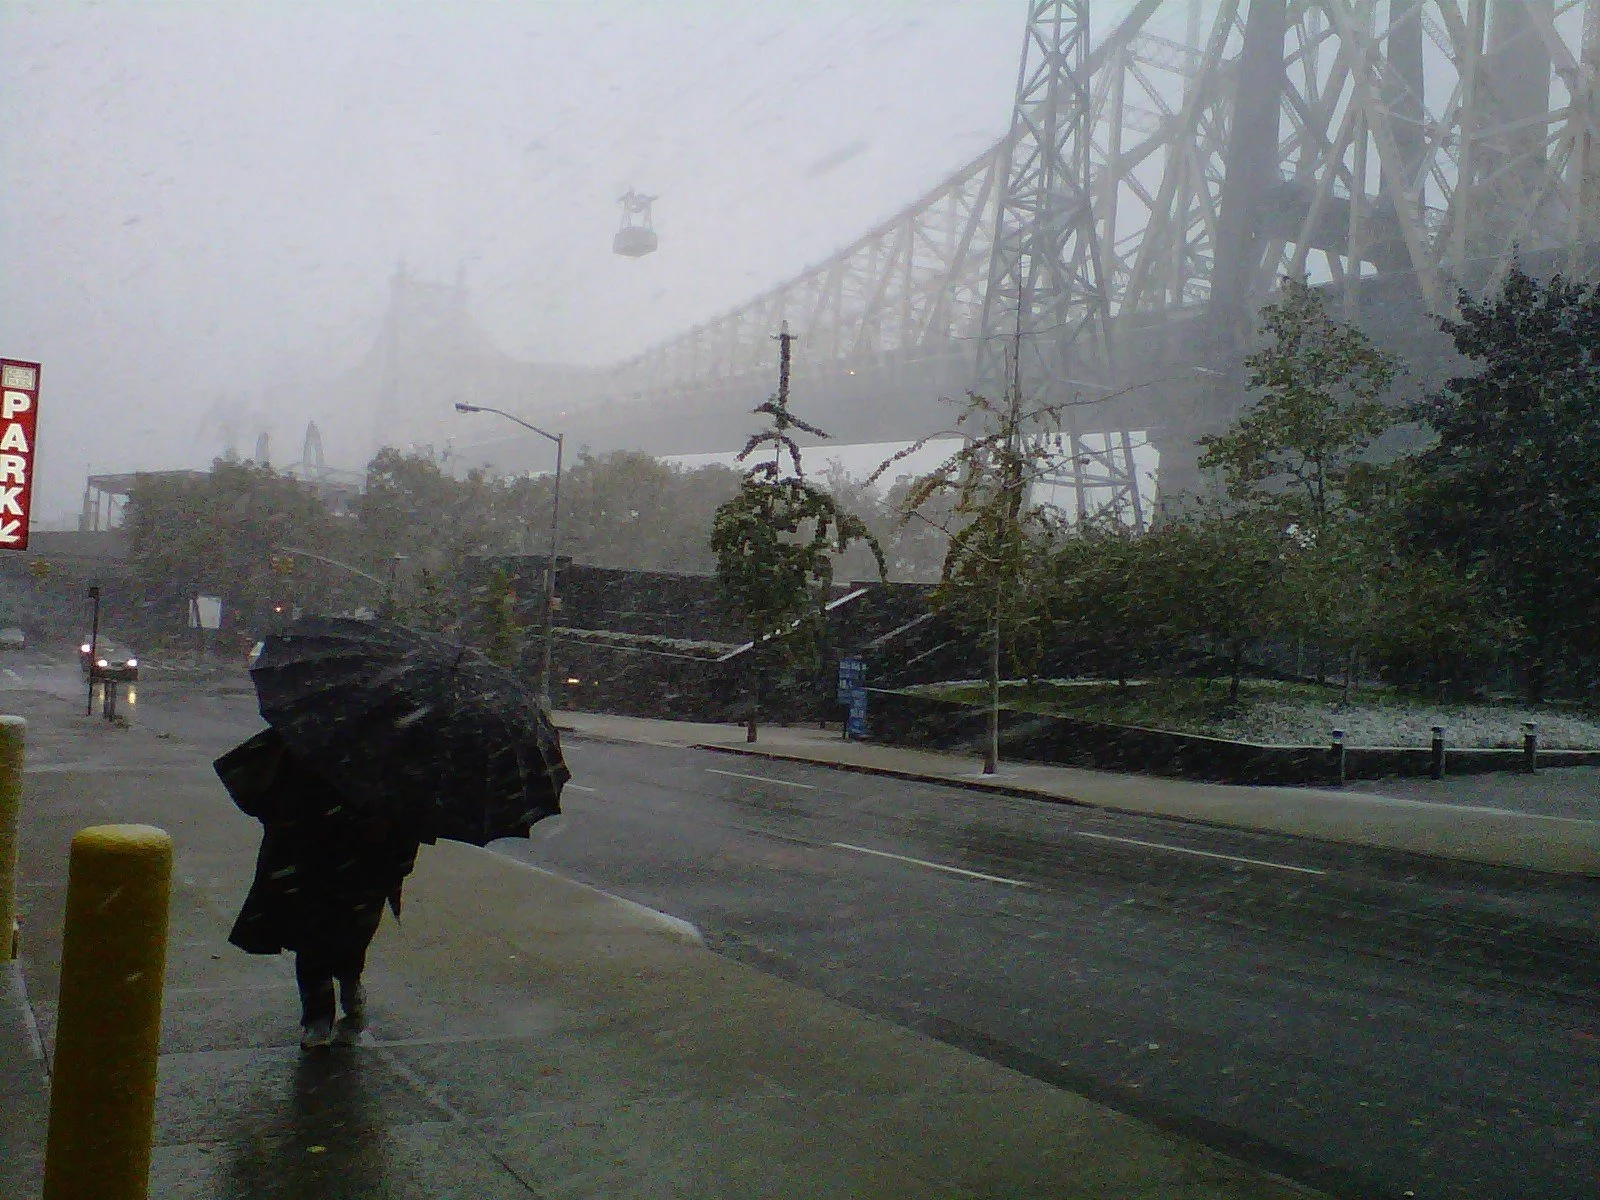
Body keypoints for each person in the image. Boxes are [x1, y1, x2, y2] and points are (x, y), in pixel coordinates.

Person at [220, 729, 421, 1051]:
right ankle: (320, 1014)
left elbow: (406, 817)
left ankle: (347, 989)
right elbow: (263, 792)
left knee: (347, 938)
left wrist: (393, 850)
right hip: (316, 855)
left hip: (360, 860)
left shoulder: (386, 755)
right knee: (314, 940)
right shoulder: (308, 740)